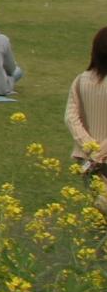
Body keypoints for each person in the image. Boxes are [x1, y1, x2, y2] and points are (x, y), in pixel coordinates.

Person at [64, 28, 107, 185]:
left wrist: (90, 147)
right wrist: (100, 152)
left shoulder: (81, 80)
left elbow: (71, 118)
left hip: (87, 160)